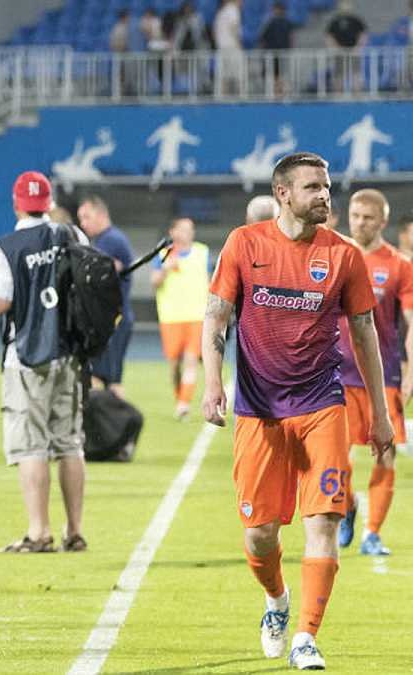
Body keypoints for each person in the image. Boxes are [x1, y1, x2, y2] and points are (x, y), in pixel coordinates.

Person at [202, 152, 395, 670]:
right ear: (283, 193)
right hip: (259, 411)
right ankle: (277, 600)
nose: (325, 195)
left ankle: (306, 637)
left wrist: (380, 413)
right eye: (313, 187)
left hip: (322, 406)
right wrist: (212, 382)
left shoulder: (343, 255)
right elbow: (216, 316)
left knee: (324, 522)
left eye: (327, 187)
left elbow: (365, 335)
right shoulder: (245, 244)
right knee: (259, 534)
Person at [0, 171, 87, 554]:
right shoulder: (72, 235)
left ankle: (39, 532)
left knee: (31, 445)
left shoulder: (6, 248)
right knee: (69, 443)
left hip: (26, 356)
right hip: (69, 352)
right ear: (49, 204)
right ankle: (74, 531)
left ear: (17, 204)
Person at [332, 189, 411, 557]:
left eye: (367, 217)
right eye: (355, 216)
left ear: (382, 221)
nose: (360, 223)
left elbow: (410, 323)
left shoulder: (400, 265)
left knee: (385, 454)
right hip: (337, 375)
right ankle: (347, 504)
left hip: (383, 376)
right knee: (336, 455)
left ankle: (373, 533)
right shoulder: (335, 257)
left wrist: (410, 373)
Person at [150, 217, 209, 420]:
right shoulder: (164, 253)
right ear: (173, 232)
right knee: (174, 365)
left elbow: (210, 280)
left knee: (191, 360)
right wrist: (165, 269)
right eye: (183, 229)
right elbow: (154, 282)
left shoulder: (202, 251)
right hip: (171, 317)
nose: (188, 233)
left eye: (190, 229)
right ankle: (180, 398)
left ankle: (184, 404)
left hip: (197, 315)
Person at [77, 195, 135, 398]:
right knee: (107, 379)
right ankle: (108, 416)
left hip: (113, 321)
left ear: (101, 215)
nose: (83, 223)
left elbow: (93, 276)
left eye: (87, 217)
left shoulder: (110, 240)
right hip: (113, 319)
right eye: (80, 218)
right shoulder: (104, 240)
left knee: (105, 380)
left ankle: (109, 416)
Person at [325, 0, 368, 91]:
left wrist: (357, 48)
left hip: (354, 52)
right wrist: (336, 48)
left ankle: (357, 94)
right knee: (339, 74)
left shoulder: (356, 21)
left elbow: (363, 35)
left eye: (347, 5)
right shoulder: (335, 21)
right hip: (339, 52)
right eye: (343, 5)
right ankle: (338, 94)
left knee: (356, 73)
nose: (345, 7)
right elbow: (329, 37)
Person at [258, 2, 294, 94]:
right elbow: (262, 39)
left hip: (279, 53)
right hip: (274, 53)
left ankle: (279, 91)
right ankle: (277, 92)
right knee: (275, 74)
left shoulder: (284, 23)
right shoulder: (271, 23)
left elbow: (291, 38)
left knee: (279, 74)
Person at [214, 0, 244, 95]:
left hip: (221, 47)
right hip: (232, 46)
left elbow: (214, 32)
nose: (242, 2)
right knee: (239, 75)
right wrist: (239, 43)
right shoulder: (233, 9)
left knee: (222, 75)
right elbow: (234, 27)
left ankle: (221, 97)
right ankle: (241, 96)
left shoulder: (221, 12)